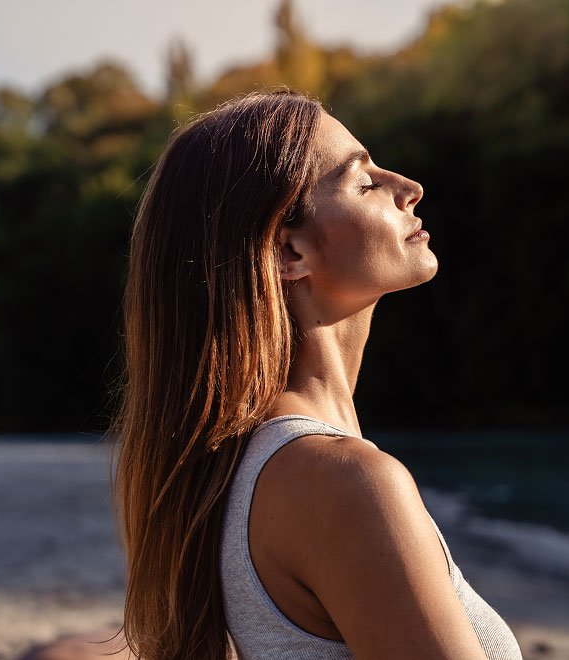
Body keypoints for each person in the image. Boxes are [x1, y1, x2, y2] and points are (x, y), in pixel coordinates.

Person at [107, 90, 523, 660]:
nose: (409, 187)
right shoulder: (346, 484)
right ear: (288, 252)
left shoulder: (241, 471)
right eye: (365, 182)